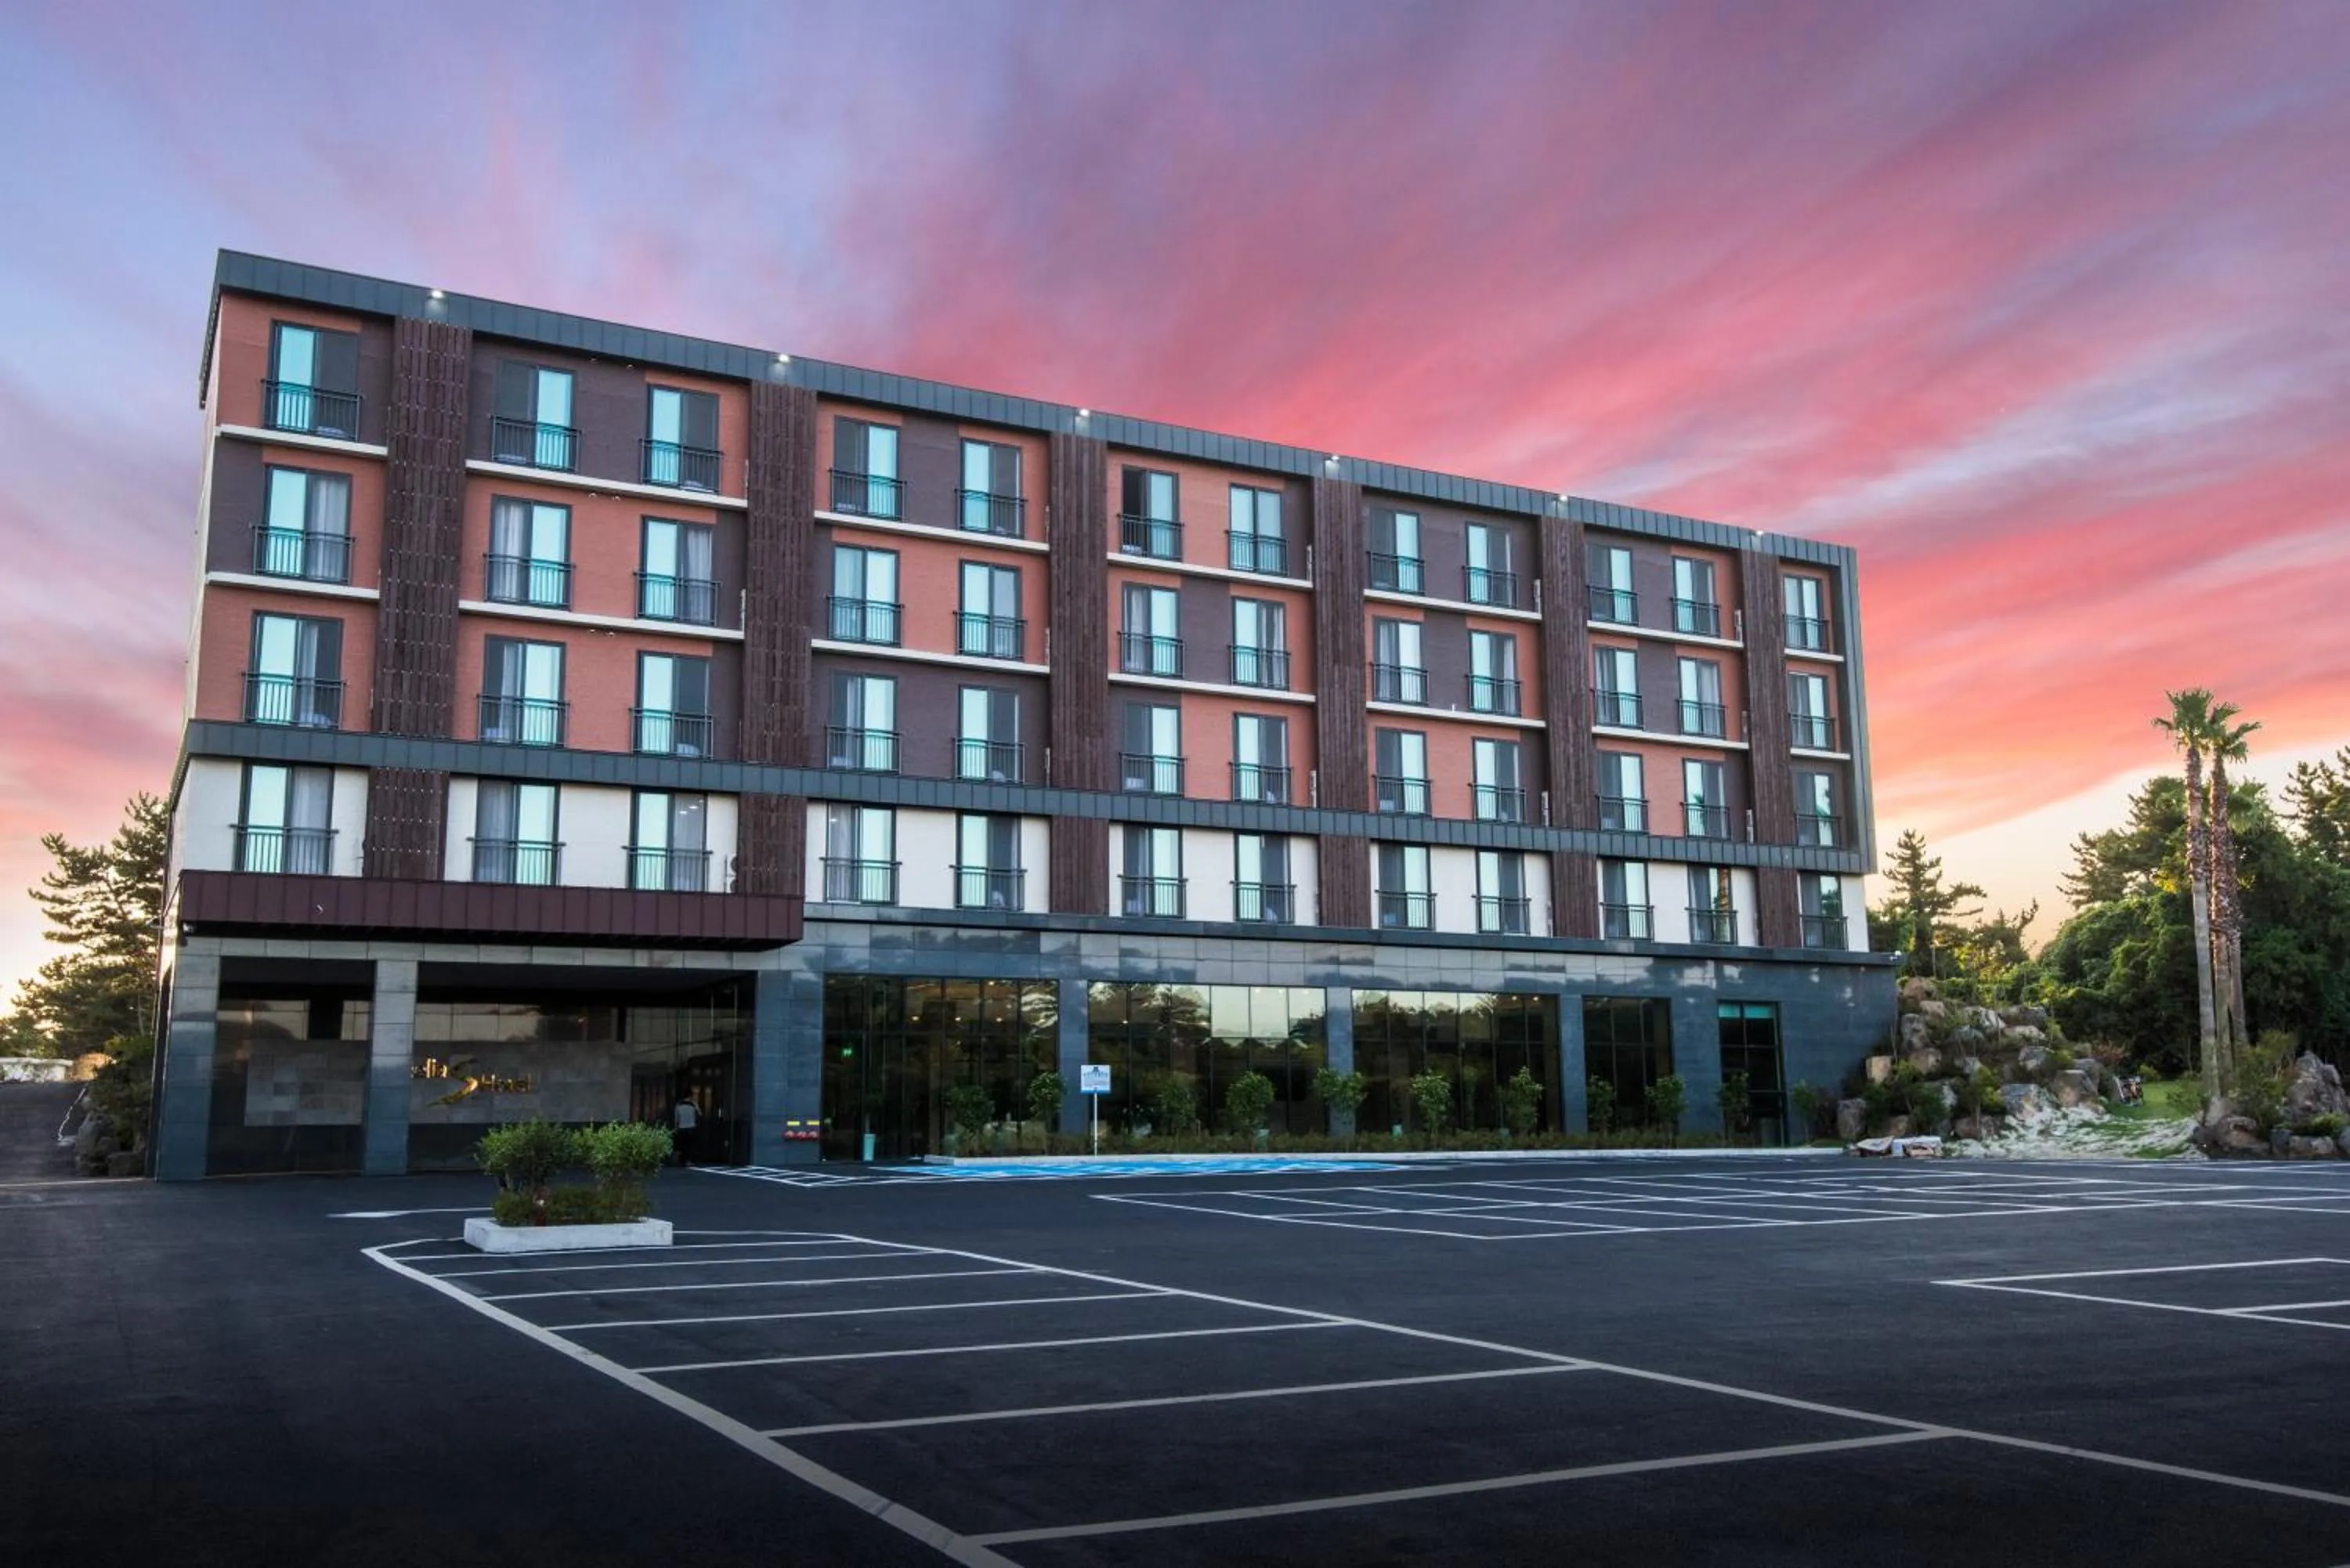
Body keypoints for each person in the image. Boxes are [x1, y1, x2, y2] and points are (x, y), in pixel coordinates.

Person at [670, 1095, 700, 1165]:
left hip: (682, 1127)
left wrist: (675, 1128)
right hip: (691, 1126)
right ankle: (688, 1161)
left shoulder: (678, 1105)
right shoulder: (693, 1105)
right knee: (689, 1145)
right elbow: (699, 1114)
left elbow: (677, 1119)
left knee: (681, 1145)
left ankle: (678, 1160)